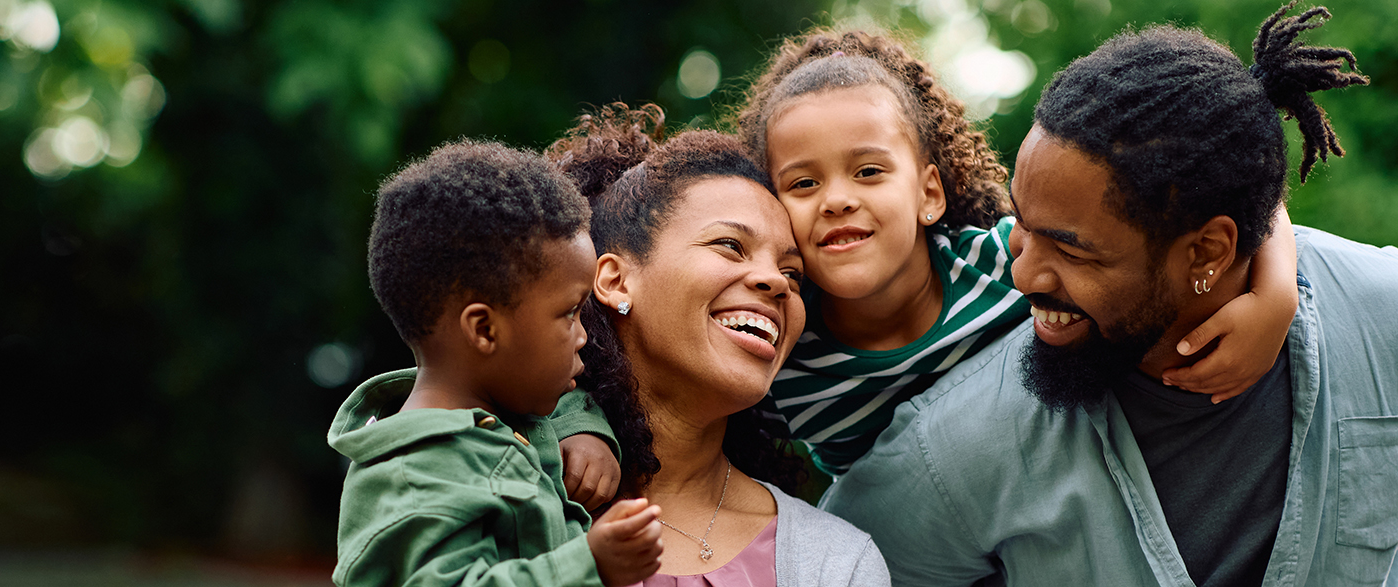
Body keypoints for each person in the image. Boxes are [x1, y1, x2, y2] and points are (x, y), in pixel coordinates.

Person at [822, 4, 1398, 586]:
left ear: (1207, 252)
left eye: (1073, 250)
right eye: (1022, 224)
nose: (1023, 276)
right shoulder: (962, 446)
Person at [730, 27, 1302, 476]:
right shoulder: (781, 352)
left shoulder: (1003, 263)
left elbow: (1226, 187)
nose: (836, 200)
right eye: (803, 184)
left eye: (869, 171)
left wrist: (1276, 296)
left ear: (930, 193)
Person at [548, 104, 888, 587]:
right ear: (616, 280)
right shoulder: (500, 489)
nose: (776, 282)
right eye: (730, 245)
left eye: (793, 273)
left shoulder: (836, 562)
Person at [329, 140, 664, 587]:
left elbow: (555, 400)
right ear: (485, 330)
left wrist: (583, 430)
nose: (584, 335)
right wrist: (588, 565)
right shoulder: (412, 476)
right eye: (569, 313)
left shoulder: (502, 410)